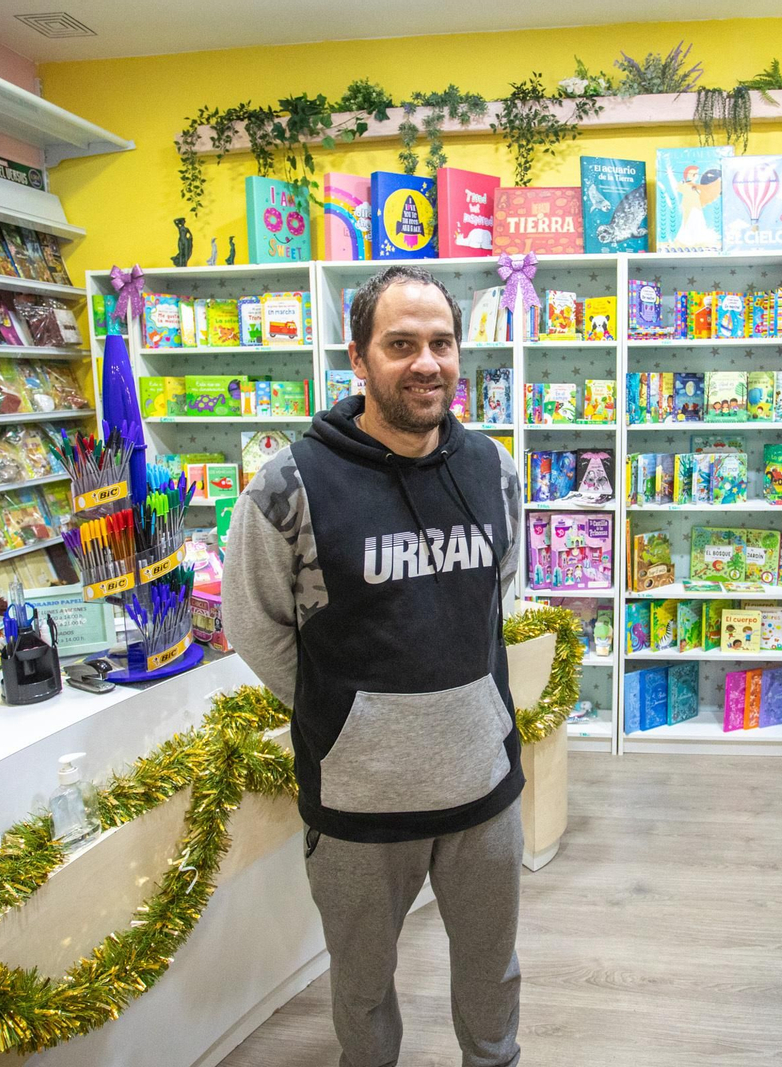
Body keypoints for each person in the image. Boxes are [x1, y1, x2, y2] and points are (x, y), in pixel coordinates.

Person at [223, 264, 524, 1067]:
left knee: (492, 974)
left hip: (482, 789)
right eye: (400, 344)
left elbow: (498, 595)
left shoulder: (493, 470)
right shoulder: (291, 484)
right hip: (357, 802)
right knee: (361, 988)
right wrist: (350, 714)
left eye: (441, 343)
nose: (427, 362)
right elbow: (254, 623)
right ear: (357, 359)